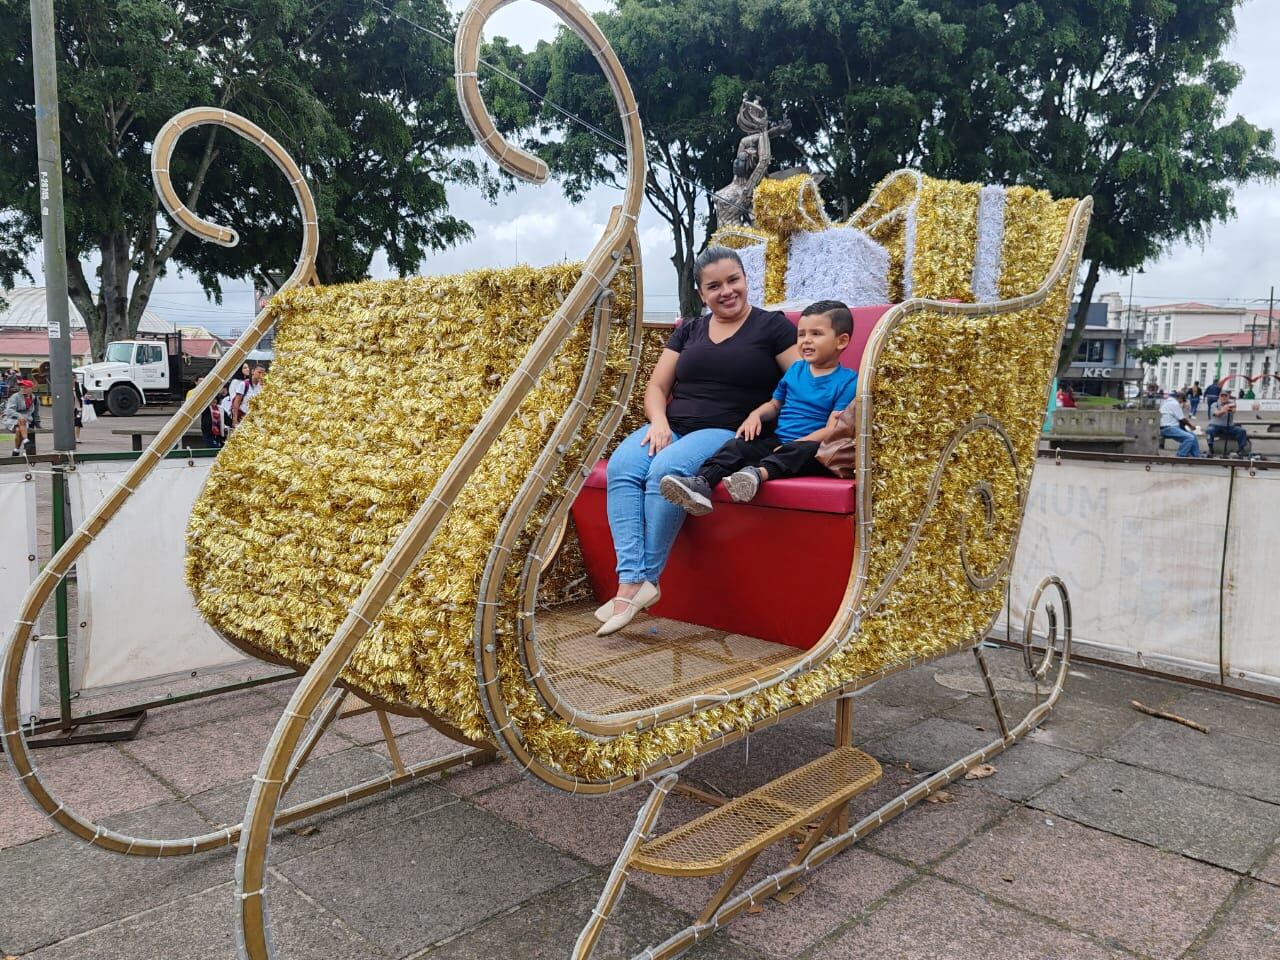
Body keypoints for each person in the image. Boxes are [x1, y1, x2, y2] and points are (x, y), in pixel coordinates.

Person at [598, 246, 799, 636]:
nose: (726, 291)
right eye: (714, 286)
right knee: (622, 467)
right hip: (673, 425)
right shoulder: (688, 330)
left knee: (665, 469)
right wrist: (658, 422)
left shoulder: (773, 327)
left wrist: (765, 414)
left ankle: (643, 581)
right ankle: (633, 582)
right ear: (701, 292)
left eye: (733, 280)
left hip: (728, 431)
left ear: (745, 279)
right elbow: (657, 385)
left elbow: (802, 383)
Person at [661, 300, 858, 513]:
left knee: (802, 451)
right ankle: (701, 483)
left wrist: (795, 444)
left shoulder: (848, 381)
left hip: (814, 450)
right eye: (801, 334)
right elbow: (775, 405)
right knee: (738, 445)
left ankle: (757, 474)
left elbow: (832, 430)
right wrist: (755, 415)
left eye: (816, 334)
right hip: (780, 442)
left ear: (841, 341)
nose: (806, 341)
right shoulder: (796, 370)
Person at [1207, 390, 1254, 458]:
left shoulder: (1231, 404)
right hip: (1215, 425)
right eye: (1222, 396)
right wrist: (1224, 410)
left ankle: (1241, 449)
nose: (1223, 398)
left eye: (1225, 396)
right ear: (1219, 397)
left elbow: (1233, 411)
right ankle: (1210, 449)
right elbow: (1217, 414)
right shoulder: (1215, 404)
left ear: (1228, 397)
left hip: (1229, 426)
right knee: (1209, 430)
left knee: (1241, 431)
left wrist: (1231, 408)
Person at [1159, 388, 1201, 458]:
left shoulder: (1167, 402)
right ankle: (1180, 456)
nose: (1182, 403)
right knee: (1189, 437)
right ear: (1180, 398)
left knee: (1193, 435)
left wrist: (1186, 429)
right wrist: (1191, 426)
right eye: (1182, 401)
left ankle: (1196, 456)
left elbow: (1180, 421)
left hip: (1170, 427)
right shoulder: (1174, 404)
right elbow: (1182, 419)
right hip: (1168, 428)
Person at [2, 379, 40, 455]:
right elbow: (9, 410)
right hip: (11, 419)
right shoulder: (15, 397)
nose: (23, 389)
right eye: (21, 387)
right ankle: (25, 440)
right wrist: (20, 416)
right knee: (20, 421)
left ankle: (16, 450)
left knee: (18, 429)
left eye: (25, 387)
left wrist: (38, 423)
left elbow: (36, 412)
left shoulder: (34, 398)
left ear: (31, 388)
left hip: (25, 420)